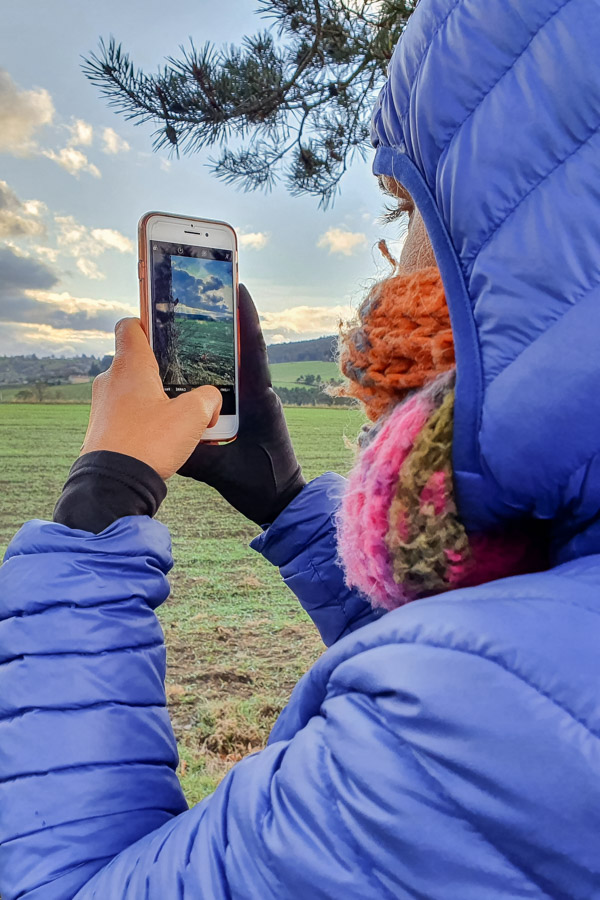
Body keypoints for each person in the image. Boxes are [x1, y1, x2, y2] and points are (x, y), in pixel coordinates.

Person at [1, 0, 600, 896]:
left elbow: (57, 881)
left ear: (517, 247)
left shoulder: (480, 722)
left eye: (408, 207)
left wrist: (100, 509)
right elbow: (508, 665)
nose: (393, 253)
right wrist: (290, 504)